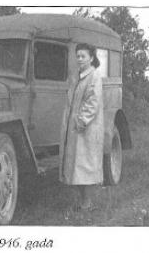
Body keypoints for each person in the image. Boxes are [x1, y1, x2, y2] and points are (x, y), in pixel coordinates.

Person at [59, 43, 104, 211]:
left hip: (86, 128)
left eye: (83, 56)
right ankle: (82, 201)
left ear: (91, 58)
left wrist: (82, 121)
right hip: (74, 127)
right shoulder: (77, 76)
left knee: (85, 165)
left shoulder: (94, 76)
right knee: (76, 166)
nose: (79, 59)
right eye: (77, 56)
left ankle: (87, 202)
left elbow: (93, 102)